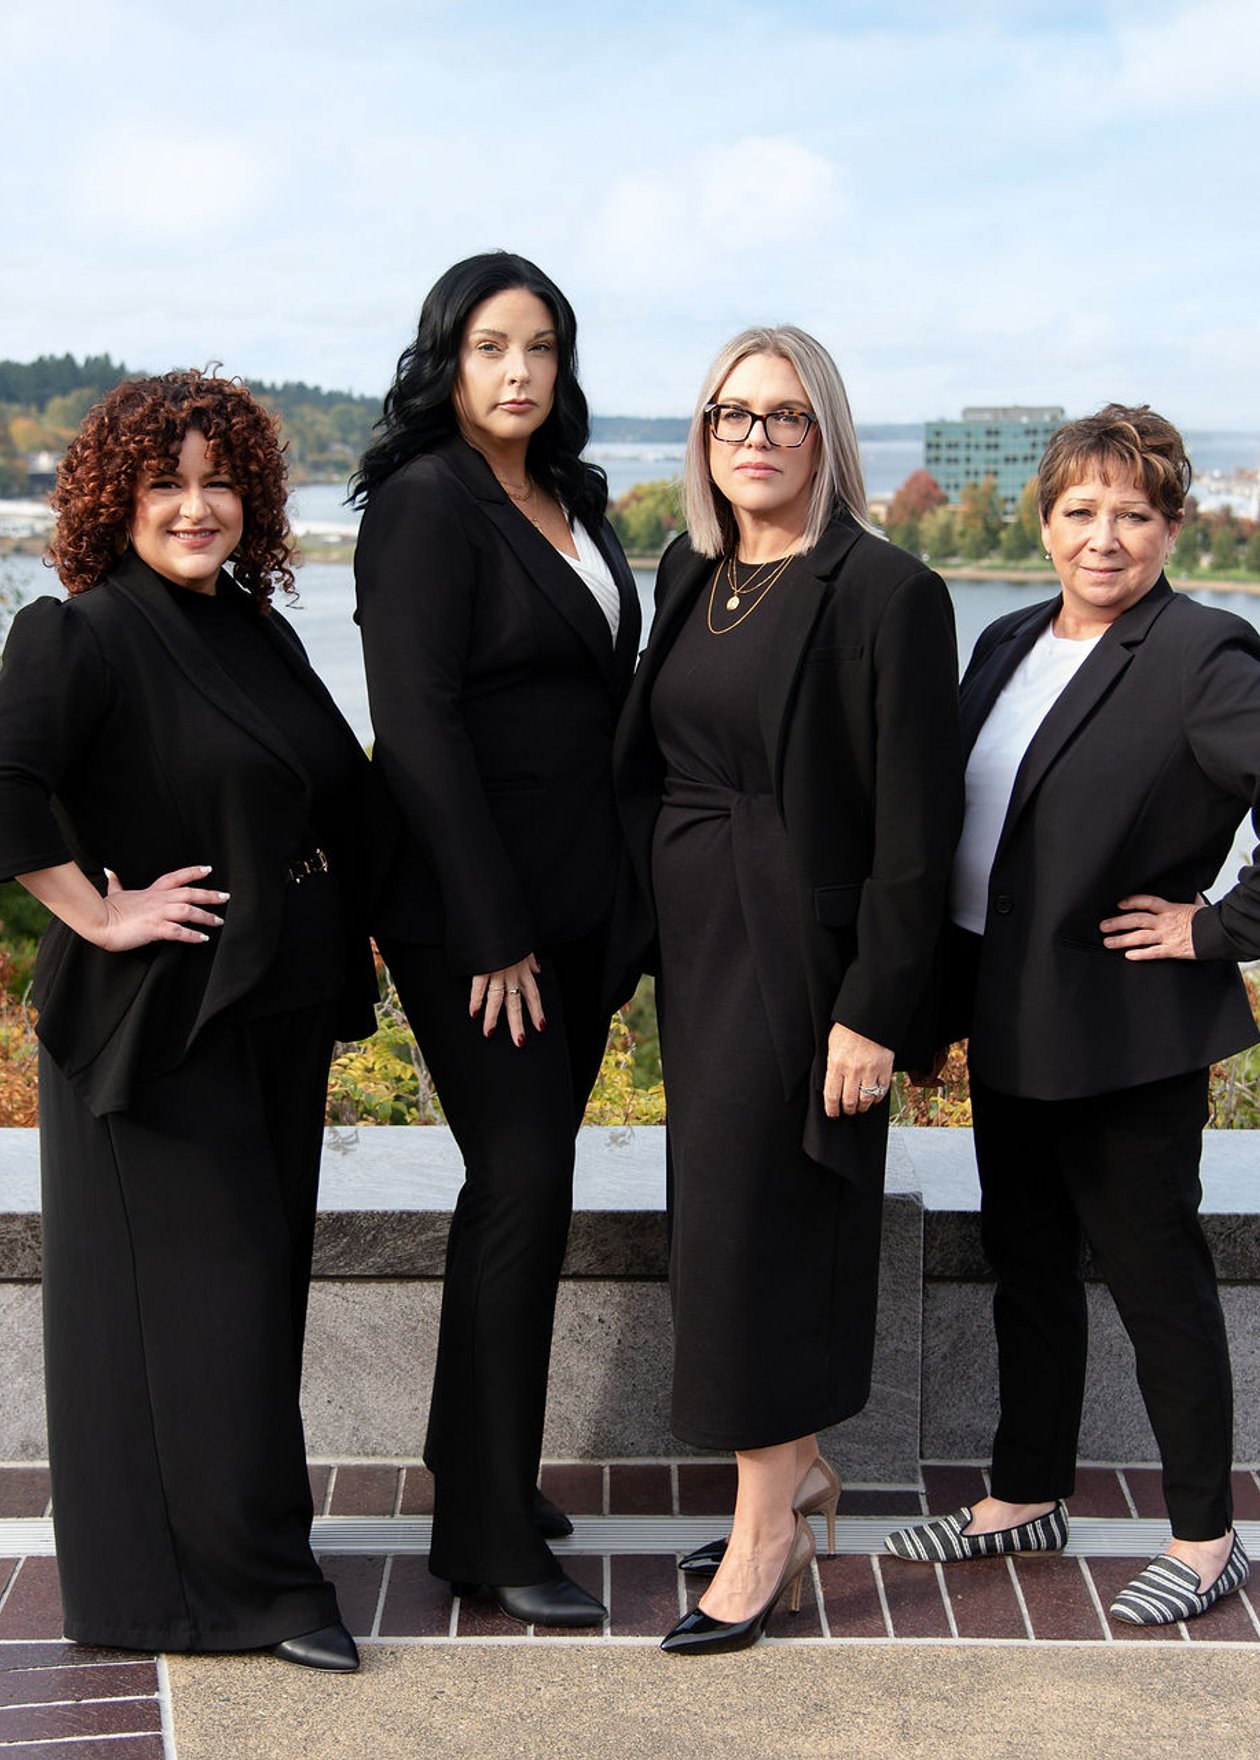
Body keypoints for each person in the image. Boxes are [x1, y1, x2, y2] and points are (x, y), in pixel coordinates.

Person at [0, 371, 391, 1668]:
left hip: (268, 1010)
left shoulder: (256, 627)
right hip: (153, 1027)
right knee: (212, 1307)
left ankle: (159, 1587)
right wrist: (96, 912)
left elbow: (334, 795)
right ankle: (262, 1594)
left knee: (247, 1299)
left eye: (218, 479)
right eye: (166, 481)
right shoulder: (83, 635)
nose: (195, 506)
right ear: (117, 496)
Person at [613, 326, 963, 1654]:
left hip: (806, 965)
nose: (754, 437)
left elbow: (917, 836)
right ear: (704, 437)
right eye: (731, 415)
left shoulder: (886, 592)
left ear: (829, 436)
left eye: (785, 415)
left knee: (768, 1240)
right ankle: (796, 1471)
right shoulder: (690, 569)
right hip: (698, 950)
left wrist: (874, 1005)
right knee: (723, 1224)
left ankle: (764, 1535)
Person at [884, 404, 1257, 1626]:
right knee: (1026, 1265)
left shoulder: (1205, 653)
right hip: (1012, 1017)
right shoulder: (1000, 641)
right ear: (1044, 521)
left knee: (1158, 1280)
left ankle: (1206, 1538)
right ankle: (1023, 1492)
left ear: (1169, 528)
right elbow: (961, 835)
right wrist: (932, 1010)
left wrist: (1217, 927)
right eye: (1082, 512)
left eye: (1134, 515)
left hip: (1128, 1032)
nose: (1106, 538)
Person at [352, 252, 640, 1628]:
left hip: (584, 912)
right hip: (481, 924)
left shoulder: (572, 498)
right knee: (522, 1185)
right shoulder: (423, 507)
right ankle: (480, 1533)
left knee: (528, 1184)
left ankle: (478, 1469)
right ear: (445, 362)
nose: (518, 370)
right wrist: (492, 933)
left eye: (539, 347)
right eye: (489, 347)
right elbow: (416, 727)